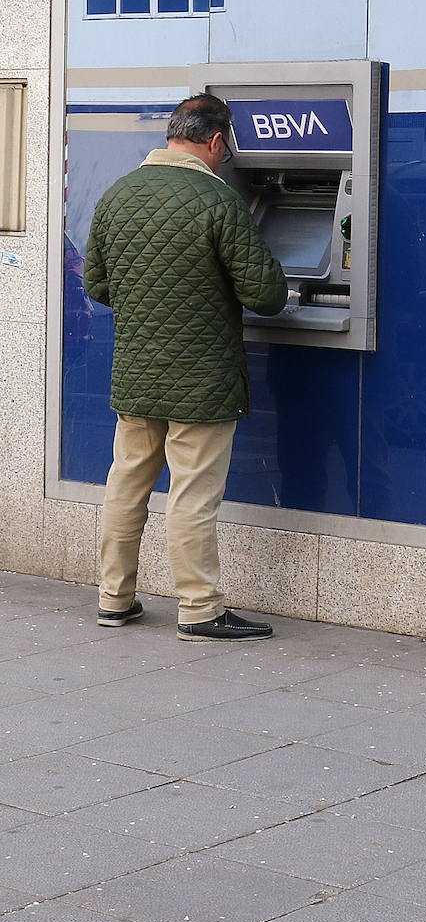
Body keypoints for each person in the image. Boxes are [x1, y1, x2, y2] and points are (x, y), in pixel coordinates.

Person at [84, 94, 288, 642]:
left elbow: (96, 284)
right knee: (192, 493)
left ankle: (114, 598)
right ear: (216, 141)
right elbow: (267, 293)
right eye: (228, 148)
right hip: (202, 377)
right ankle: (200, 609)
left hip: (135, 372)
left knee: (126, 484)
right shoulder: (216, 201)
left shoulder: (118, 194)